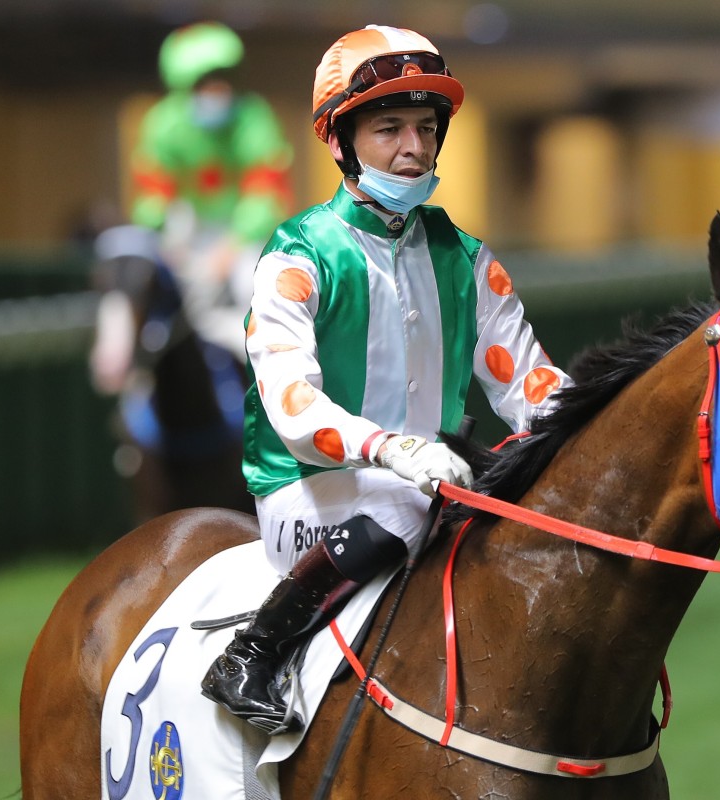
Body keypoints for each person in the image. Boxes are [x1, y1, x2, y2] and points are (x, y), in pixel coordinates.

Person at [200, 24, 572, 734]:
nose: (413, 148)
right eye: (389, 128)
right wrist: (394, 450)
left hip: (432, 478)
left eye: (427, 129)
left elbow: (529, 385)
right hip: (308, 492)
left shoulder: (464, 257)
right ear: (339, 142)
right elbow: (292, 406)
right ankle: (251, 653)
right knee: (412, 505)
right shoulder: (296, 255)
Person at [129, 20, 293, 362]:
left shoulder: (254, 118)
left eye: (222, 79)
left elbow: (266, 193)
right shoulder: (162, 124)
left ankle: (265, 368)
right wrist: (167, 242)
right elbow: (152, 196)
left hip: (244, 238)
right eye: (204, 82)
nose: (215, 91)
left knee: (256, 285)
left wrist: (230, 248)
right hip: (188, 236)